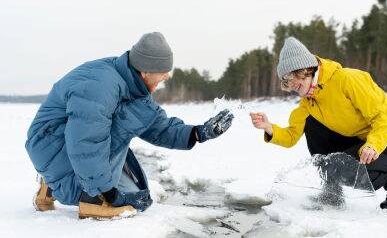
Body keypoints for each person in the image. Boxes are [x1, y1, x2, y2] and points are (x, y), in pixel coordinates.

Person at [26, 32, 234, 219]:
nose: (166, 76)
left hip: (68, 147)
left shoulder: (133, 86)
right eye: (162, 71)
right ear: (145, 71)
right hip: (50, 144)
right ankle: (90, 198)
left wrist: (198, 133)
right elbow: (86, 140)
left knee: (136, 199)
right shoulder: (101, 86)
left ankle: (51, 185)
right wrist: (104, 193)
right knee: (102, 192)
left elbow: (157, 126)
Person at [250, 37, 387, 212]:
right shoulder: (308, 102)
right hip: (362, 141)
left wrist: (373, 145)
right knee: (312, 124)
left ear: (303, 69)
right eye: (285, 81)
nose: (290, 85)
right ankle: (332, 192)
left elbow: (381, 116)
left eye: (290, 78)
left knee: (342, 169)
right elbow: (291, 136)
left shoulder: (347, 79)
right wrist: (268, 127)